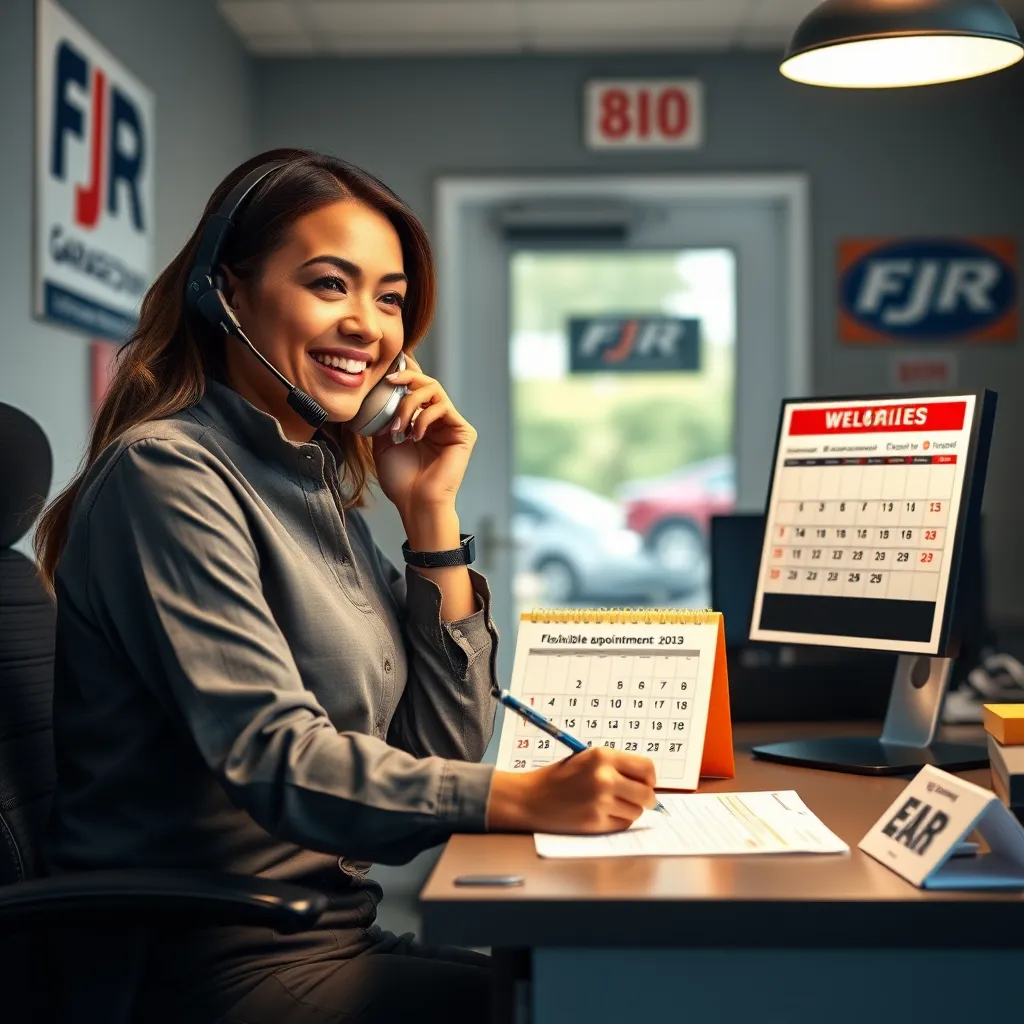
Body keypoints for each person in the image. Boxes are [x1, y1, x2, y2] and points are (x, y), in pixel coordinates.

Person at [35, 148, 658, 1024]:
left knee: (594, 990)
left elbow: (441, 745)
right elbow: (273, 755)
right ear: (226, 294)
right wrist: (524, 798)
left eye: (391, 297)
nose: (370, 325)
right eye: (332, 284)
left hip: (321, 936)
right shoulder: (167, 476)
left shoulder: (319, 486)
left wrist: (428, 513)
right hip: (202, 964)